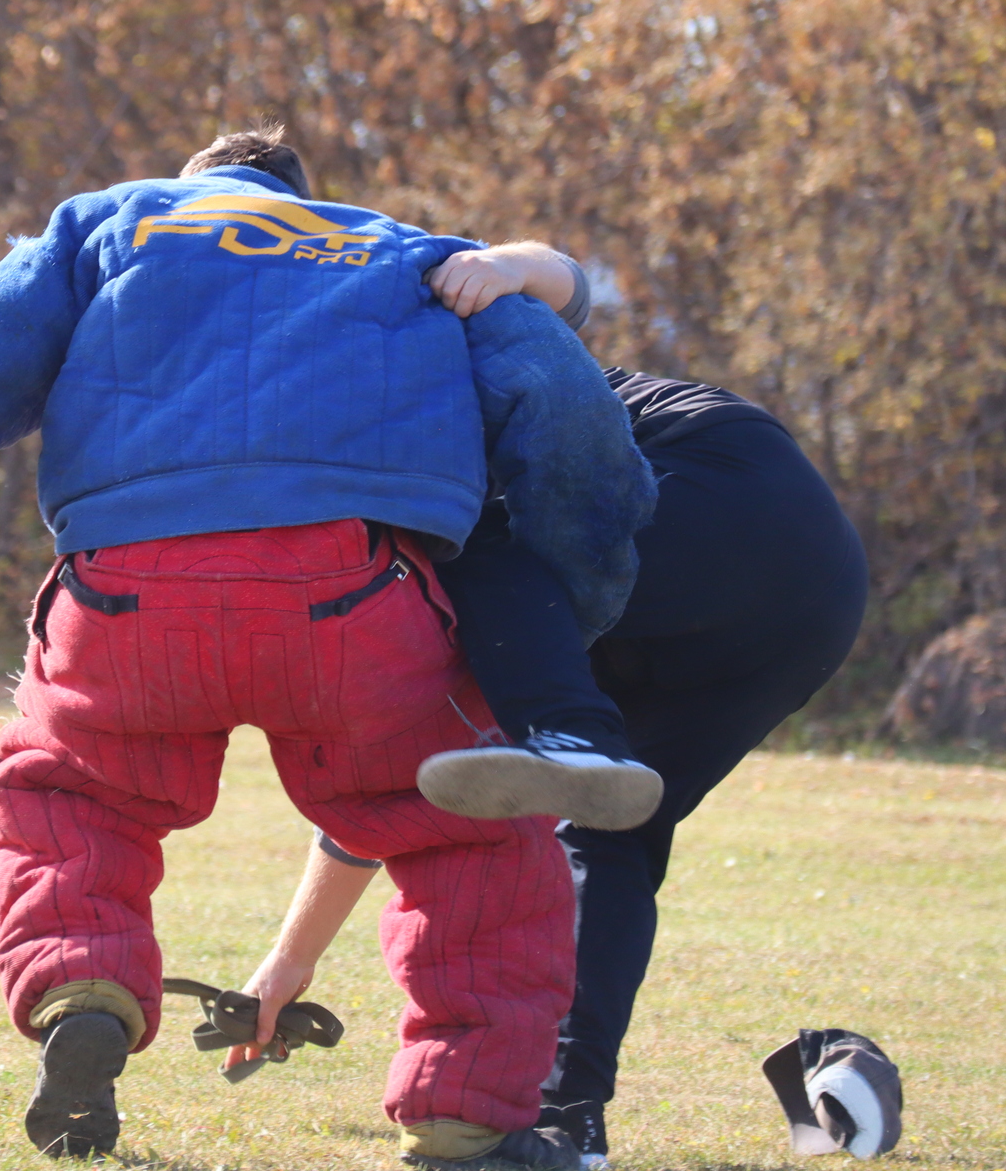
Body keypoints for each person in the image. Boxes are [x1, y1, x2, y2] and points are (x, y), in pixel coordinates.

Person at [0, 126, 658, 1169]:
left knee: (64, 793)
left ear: (196, 182)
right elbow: (567, 414)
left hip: (125, 592)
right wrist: (574, 598)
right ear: (300, 196)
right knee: (465, 832)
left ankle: (80, 988)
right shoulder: (406, 251)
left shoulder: (111, 226)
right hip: (360, 593)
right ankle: (466, 1119)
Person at [228, 252, 869, 1169]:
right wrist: (288, 964)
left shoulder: (379, 358)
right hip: (813, 588)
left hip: (708, 488)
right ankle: (571, 1124)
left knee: (487, 554)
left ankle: (580, 742)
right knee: (604, 833)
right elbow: (389, 785)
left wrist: (510, 261)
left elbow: (560, 279)